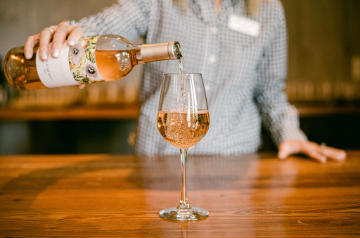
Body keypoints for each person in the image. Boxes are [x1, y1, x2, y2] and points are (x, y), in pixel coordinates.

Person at [24, 0, 346, 162]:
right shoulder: (157, 2)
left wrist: (290, 134)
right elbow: (103, 25)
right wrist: (69, 33)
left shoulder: (269, 10)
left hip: (235, 164)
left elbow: (271, 92)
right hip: (156, 162)